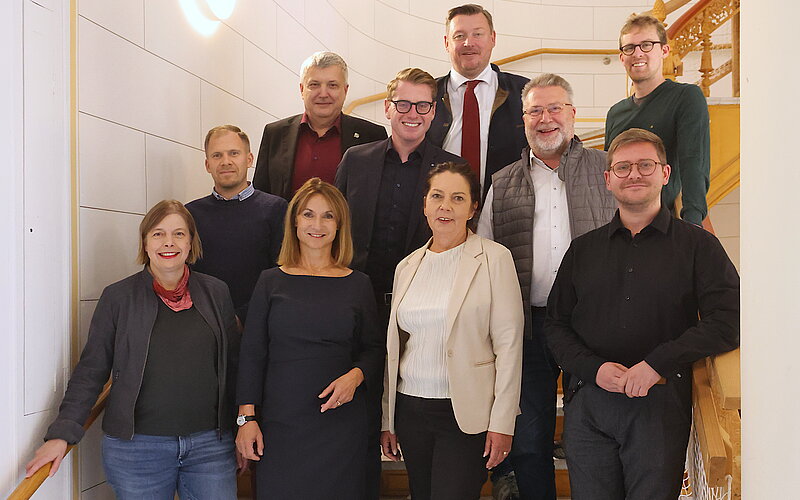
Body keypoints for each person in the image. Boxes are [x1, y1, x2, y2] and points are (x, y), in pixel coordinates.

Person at [545, 128, 739, 499]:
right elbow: (556, 325)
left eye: (645, 165)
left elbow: (728, 321)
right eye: (623, 167)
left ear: (665, 174)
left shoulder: (699, 245)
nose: (634, 174)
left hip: (659, 403)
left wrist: (656, 364)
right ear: (608, 179)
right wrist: (593, 369)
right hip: (590, 404)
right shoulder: (582, 250)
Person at [25, 200, 242, 499]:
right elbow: (91, 371)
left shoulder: (217, 292)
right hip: (137, 451)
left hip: (210, 447)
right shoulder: (117, 298)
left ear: (191, 242)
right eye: (158, 234)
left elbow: (235, 367)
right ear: (145, 242)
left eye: (179, 234)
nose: (169, 242)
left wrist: (242, 427)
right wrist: (62, 434)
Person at [477, 73, 616, 500]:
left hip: (592, 326)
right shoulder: (502, 182)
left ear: (573, 114)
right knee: (529, 439)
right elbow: (484, 256)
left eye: (555, 108)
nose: (545, 119)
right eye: (535, 110)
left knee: (593, 436)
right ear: (523, 120)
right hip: (528, 328)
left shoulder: (608, 170)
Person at [334, 67, 463, 499]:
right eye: (403, 104)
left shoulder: (452, 169)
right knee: (358, 411)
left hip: (424, 311)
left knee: (409, 406)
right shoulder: (356, 160)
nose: (413, 113)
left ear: (434, 112)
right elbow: (335, 229)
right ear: (388, 108)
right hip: (358, 303)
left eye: (423, 105)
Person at [381, 161, 524, 500]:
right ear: (425, 204)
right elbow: (394, 348)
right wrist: (388, 420)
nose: (445, 206)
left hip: (465, 412)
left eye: (458, 198)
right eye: (437, 196)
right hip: (411, 409)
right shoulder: (407, 266)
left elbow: (509, 346)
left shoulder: (494, 259)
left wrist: (502, 422)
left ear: (473, 208)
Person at [235, 178, 385, 499]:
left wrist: (355, 377)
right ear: (294, 221)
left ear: (339, 225)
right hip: (281, 423)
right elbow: (252, 354)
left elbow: (374, 349)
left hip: (341, 422)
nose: (317, 224)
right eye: (308, 214)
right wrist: (246, 418)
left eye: (328, 216)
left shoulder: (358, 284)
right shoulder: (270, 281)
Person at [605, 14, 710, 226]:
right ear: (622, 58)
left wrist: (693, 225)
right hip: (622, 226)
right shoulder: (615, 113)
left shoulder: (686, 97)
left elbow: (694, 163)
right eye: (629, 48)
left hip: (664, 225)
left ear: (664, 50)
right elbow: (611, 174)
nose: (637, 53)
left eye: (646, 45)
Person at [252, 51, 388, 200]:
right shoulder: (275, 134)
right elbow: (260, 198)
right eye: (314, 85)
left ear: (345, 90)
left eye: (332, 85)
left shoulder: (372, 136)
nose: (323, 94)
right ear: (302, 90)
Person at [187, 125, 287, 324]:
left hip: (259, 323)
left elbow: (281, 274)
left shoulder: (276, 209)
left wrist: (242, 318)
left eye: (234, 153)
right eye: (217, 155)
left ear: (249, 159)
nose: (226, 161)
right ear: (207, 164)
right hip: (204, 323)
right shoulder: (190, 214)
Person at [427, 4, 528, 199]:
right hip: (442, 209)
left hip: (507, 208)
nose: (468, 43)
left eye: (478, 34)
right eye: (459, 36)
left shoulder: (525, 93)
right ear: (447, 43)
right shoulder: (426, 96)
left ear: (493, 38)